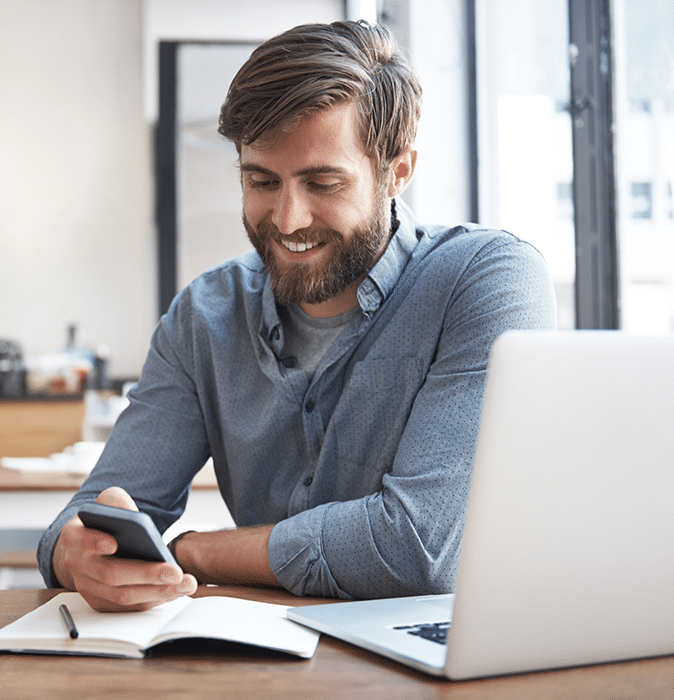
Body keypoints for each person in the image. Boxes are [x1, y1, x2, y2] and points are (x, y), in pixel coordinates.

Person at [38, 20, 556, 612]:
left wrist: (190, 552)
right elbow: (93, 516)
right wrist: (77, 554)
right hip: (270, 657)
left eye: (322, 183)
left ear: (399, 170)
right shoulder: (205, 315)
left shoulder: (487, 280)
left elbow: (416, 548)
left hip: (452, 659)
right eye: (262, 181)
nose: (287, 220)